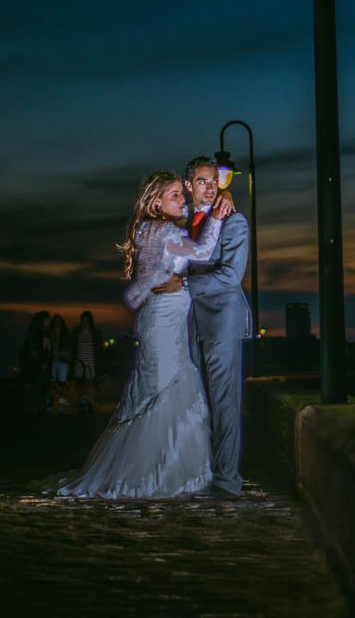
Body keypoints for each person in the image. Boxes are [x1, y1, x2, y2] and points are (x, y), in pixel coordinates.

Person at [52, 170, 234, 499]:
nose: (184, 200)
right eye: (176, 195)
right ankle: (156, 476)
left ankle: (159, 471)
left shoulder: (146, 229)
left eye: (182, 193)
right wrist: (218, 217)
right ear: (156, 201)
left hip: (160, 317)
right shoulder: (164, 230)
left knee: (158, 390)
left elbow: (149, 276)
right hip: (164, 320)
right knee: (166, 391)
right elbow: (204, 253)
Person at [161, 156, 252, 497]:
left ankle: (227, 481)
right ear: (189, 185)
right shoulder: (182, 223)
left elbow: (230, 276)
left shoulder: (235, 222)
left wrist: (182, 287)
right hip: (189, 324)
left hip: (223, 320)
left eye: (215, 180)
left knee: (225, 401)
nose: (211, 186)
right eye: (202, 181)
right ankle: (199, 472)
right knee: (195, 401)